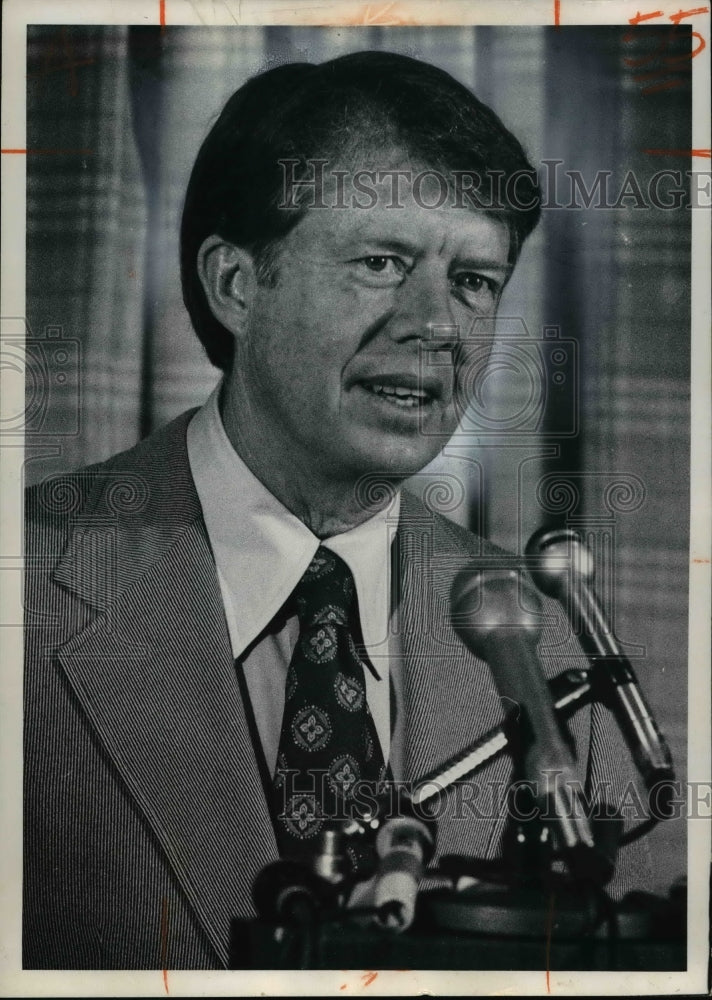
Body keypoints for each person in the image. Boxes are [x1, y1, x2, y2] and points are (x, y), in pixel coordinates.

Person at [23, 50, 652, 970]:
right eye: (382, 261)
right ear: (236, 285)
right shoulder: (22, 589)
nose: (437, 324)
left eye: (474, 281)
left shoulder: (550, 644)